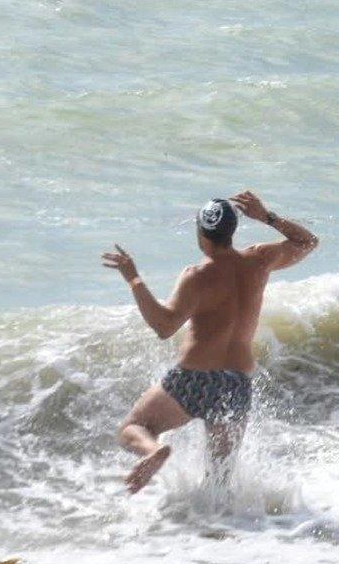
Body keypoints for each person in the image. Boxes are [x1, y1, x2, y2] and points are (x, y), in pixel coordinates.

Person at [105, 191, 319, 494]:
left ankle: (153, 451)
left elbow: (164, 327)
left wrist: (134, 279)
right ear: (232, 230)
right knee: (218, 482)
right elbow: (307, 242)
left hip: (193, 379)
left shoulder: (196, 276)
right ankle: (217, 521)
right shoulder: (259, 260)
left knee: (134, 428)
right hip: (235, 384)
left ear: (201, 233)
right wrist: (266, 217)